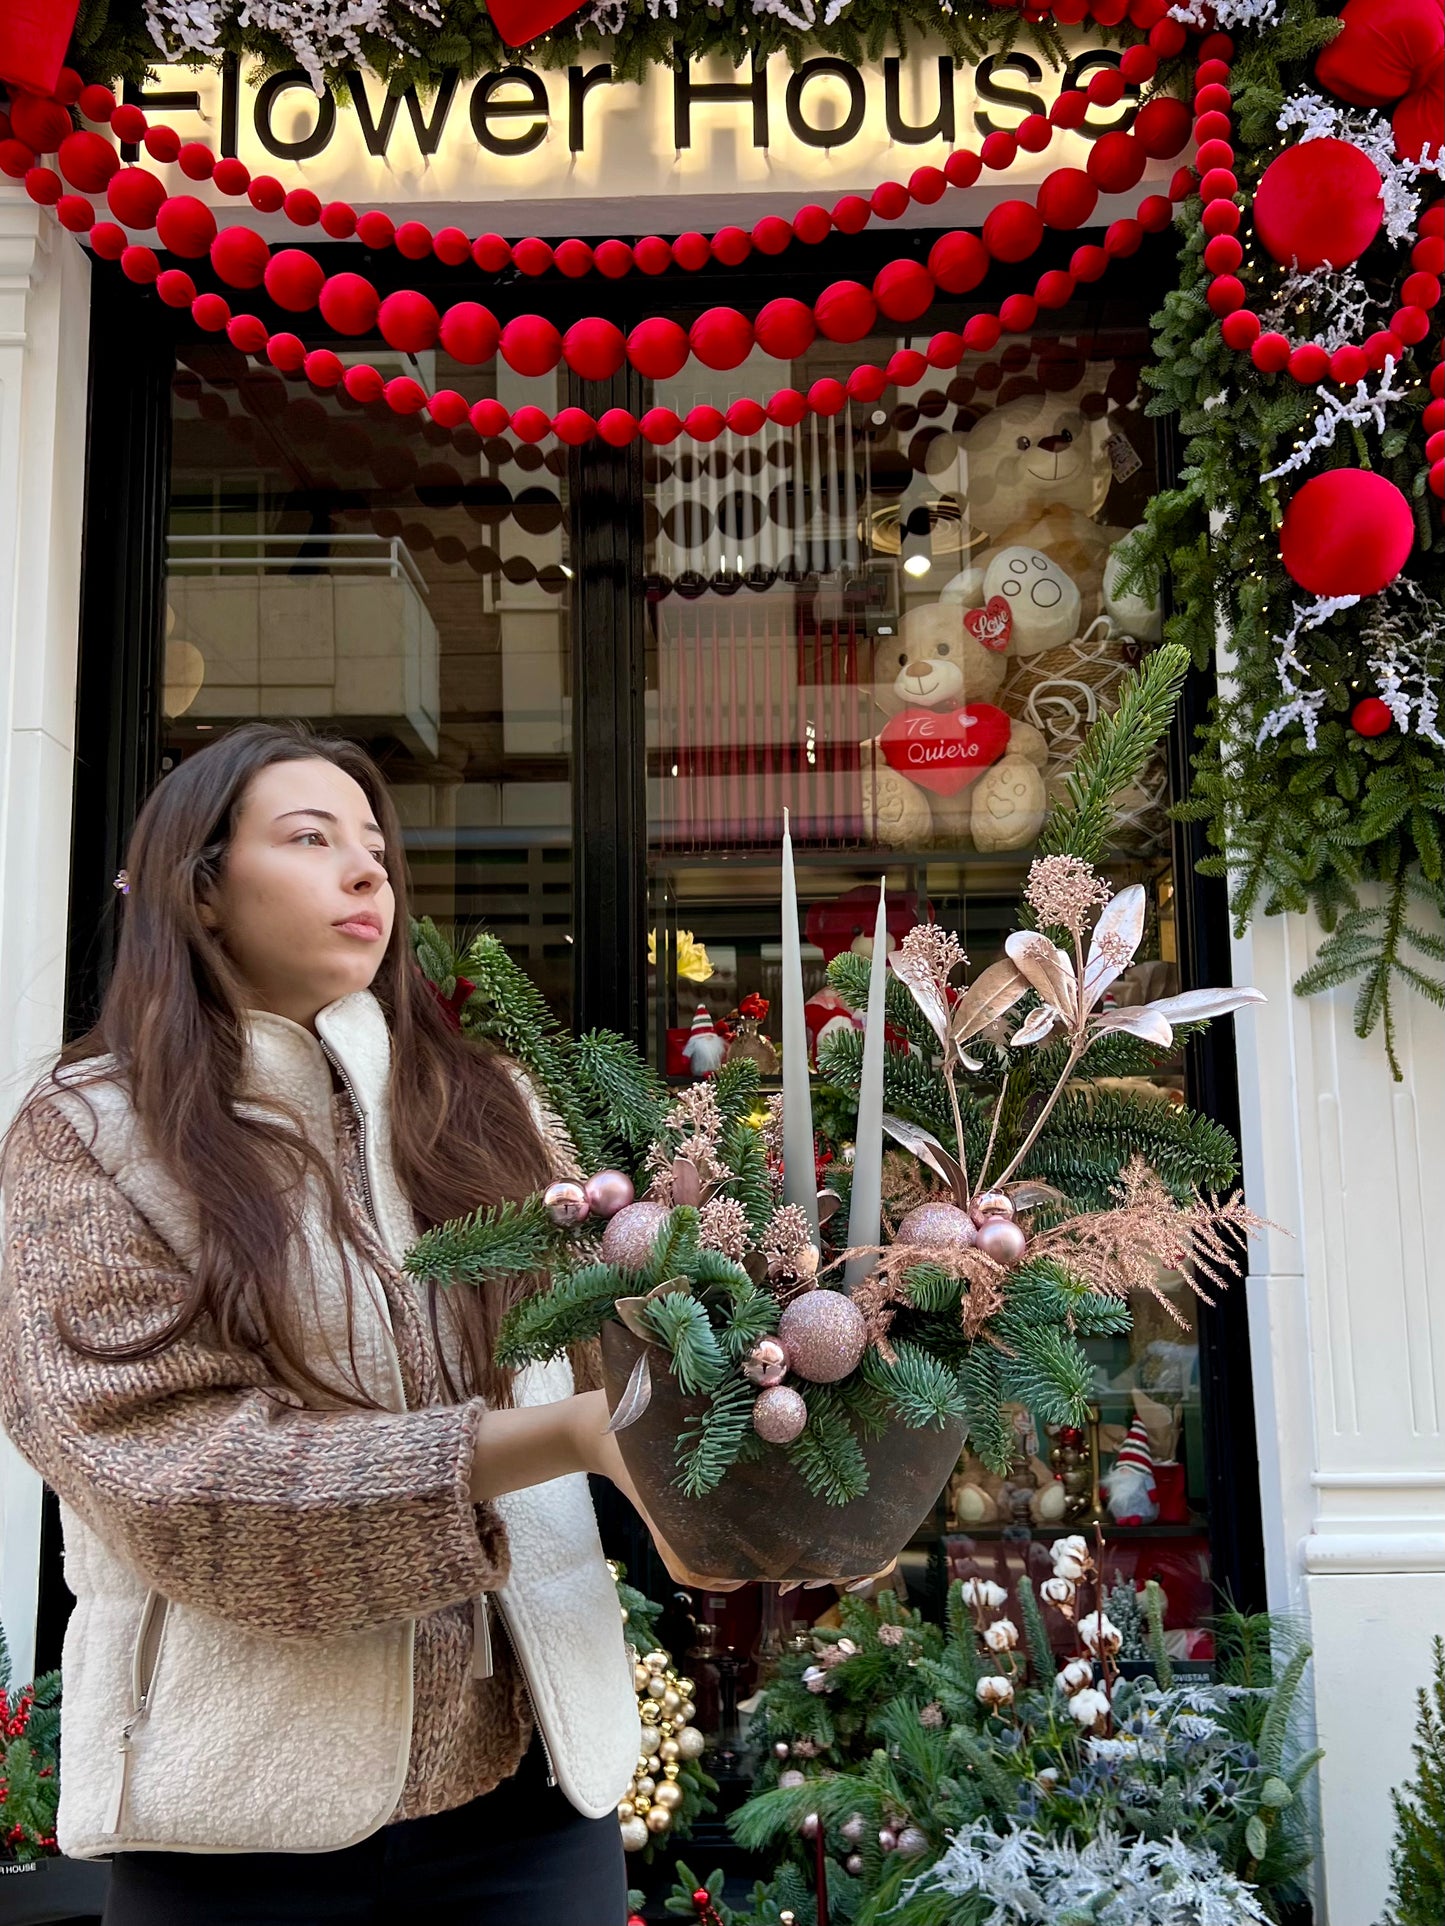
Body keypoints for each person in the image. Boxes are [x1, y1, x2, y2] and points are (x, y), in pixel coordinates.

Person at [0, 721, 720, 1924]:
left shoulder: (487, 1106)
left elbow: (628, 1364)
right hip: (238, 1824)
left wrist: (735, 1489)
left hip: (533, 1805)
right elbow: (172, 1474)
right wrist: (580, 1438)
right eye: (309, 837)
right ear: (202, 888)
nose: (367, 871)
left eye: (374, 846)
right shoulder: (90, 1135)